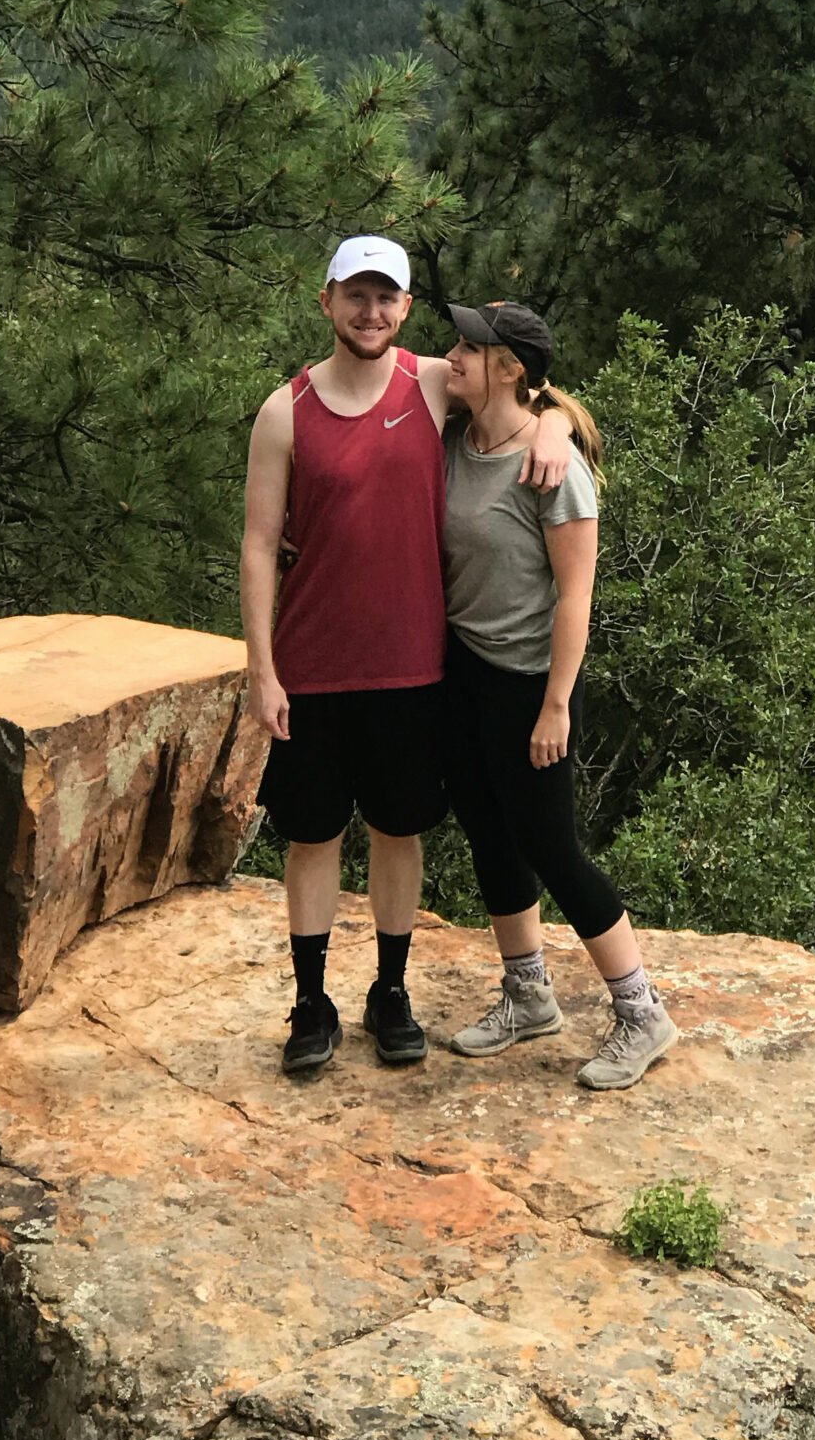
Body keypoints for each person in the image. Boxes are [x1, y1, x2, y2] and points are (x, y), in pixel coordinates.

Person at [240, 238, 570, 1077]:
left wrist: (561, 425)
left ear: (406, 308)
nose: (372, 312)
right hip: (311, 666)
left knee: (398, 832)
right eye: (357, 295)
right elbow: (255, 546)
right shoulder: (285, 411)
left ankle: (390, 992)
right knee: (311, 838)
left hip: (416, 669)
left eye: (387, 298)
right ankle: (311, 1002)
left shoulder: (429, 384)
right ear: (327, 301)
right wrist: (262, 672)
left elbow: (523, 381)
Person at [439, 300, 678, 1090]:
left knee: (551, 845)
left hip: (526, 683)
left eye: (470, 346)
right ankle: (528, 993)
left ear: (511, 368)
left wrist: (557, 705)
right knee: (487, 831)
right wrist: (552, 414)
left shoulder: (555, 469)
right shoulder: (457, 430)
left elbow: (577, 595)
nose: (453, 354)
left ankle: (642, 1011)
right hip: (462, 669)